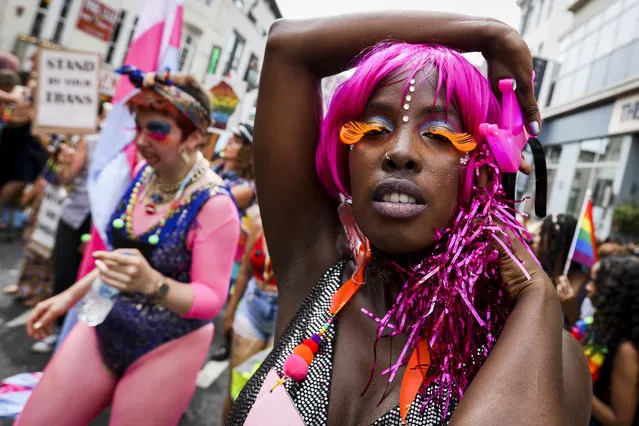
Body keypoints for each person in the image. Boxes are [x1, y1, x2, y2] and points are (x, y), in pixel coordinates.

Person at [229, 13, 591, 425]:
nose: (399, 151)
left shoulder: (548, 350)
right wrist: (487, 35)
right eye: (374, 127)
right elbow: (287, 47)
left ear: (484, 171)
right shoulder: (316, 266)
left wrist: (538, 301)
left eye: (439, 134)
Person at [17, 70, 240, 426]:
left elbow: (212, 300)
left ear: (194, 136)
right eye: (139, 128)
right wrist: (67, 298)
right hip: (106, 322)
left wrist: (154, 284)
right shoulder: (143, 175)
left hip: (168, 344)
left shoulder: (215, 206)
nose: (143, 141)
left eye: (157, 130)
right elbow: (121, 261)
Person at [31, 103, 106, 353]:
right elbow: (62, 178)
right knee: (64, 275)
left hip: (104, 224)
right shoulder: (90, 142)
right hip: (75, 217)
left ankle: (78, 342)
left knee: (93, 285)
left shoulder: (136, 152)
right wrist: (57, 157)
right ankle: (59, 332)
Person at [222, 208, 278, 419]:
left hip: (284, 311)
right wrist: (230, 311)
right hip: (252, 305)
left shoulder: (311, 230)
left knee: (264, 396)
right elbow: (245, 272)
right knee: (236, 389)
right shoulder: (259, 223)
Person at [570, 256, 639, 426]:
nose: (587, 287)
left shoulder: (627, 350)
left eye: (595, 282)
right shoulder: (605, 326)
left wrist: (578, 386)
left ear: (613, 293)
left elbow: (620, 421)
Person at [209, 123, 257, 362]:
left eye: (237, 141)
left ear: (247, 151)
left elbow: (207, 201)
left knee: (223, 301)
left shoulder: (246, 188)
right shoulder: (215, 168)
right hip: (207, 245)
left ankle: (226, 342)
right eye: (231, 138)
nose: (228, 143)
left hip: (229, 255)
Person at [534, 214, 590, 327]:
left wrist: (571, 311)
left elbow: (586, 338)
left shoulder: (587, 287)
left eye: (541, 235)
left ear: (558, 242)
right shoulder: (541, 273)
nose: (534, 239)